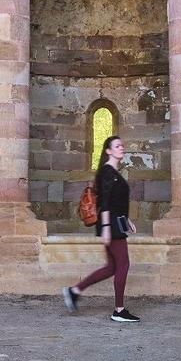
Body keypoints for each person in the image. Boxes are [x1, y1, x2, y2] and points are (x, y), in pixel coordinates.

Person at [62, 135, 140, 322]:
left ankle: (74, 291)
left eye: (122, 145)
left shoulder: (114, 173)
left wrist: (127, 219)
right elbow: (104, 202)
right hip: (111, 224)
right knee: (123, 264)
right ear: (108, 151)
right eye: (117, 145)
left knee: (112, 267)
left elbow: (116, 202)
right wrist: (105, 227)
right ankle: (119, 310)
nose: (122, 147)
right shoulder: (107, 172)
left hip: (116, 222)